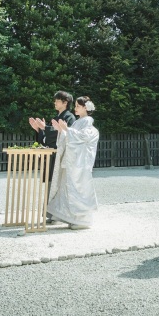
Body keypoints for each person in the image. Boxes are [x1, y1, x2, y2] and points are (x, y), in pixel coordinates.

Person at [47, 96, 100, 230]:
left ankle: (82, 220)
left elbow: (81, 138)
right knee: (66, 188)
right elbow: (72, 136)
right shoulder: (78, 122)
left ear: (85, 108)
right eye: (75, 105)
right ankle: (66, 216)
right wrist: (62, 131)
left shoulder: (88, 124)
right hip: (73, 162)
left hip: (80, 164)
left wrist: (66, 130)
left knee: (79, 189)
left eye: (78, 106)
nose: (75, 108)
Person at [29, 90, 76, 182]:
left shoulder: (70, 117)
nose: (55, 103)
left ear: (65, 102)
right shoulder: (55, 118)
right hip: (51, 154)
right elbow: (47, 138)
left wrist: (45, 127)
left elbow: (65, 134)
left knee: (60, 184)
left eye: (57, 101)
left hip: (61, 155)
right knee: (50, 183)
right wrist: (39, 129)